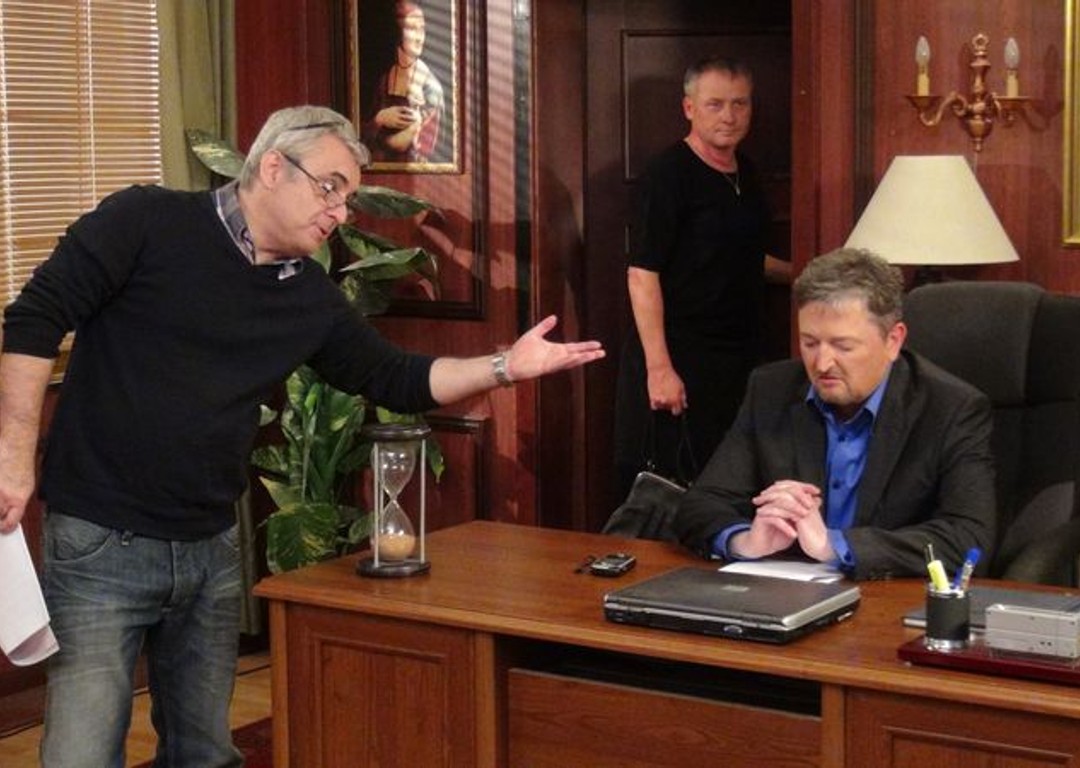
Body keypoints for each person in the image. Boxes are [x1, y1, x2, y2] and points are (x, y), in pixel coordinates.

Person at [0, 104, 603, 767]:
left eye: (347, 198)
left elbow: (395, 378)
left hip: (210, 545)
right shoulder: (144, 221)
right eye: (329, 188)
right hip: (100, 539)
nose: (340, 212)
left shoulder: (307, 295)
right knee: (81, 756)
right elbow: (33, 319)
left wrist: (506, 366)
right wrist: (13, 460)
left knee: (205, 754)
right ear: (272, 167)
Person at [672, 248, 996, 581]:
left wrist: (833, 546)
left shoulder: (951, 408)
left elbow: (970, 539)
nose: (823, 364)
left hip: (889, 596)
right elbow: (701, 503)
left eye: (843, 346)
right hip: (783, 591)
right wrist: (746, 541)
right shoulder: (771, 390)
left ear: (893, 340)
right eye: (810, 343)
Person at [613, 55, 790, 503]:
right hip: (679, 358)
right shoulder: (667, 174)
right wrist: (659, 369)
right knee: (674, 492)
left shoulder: (747, 172)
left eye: (740, 103)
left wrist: (804, 275)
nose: (729, 116)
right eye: (715, 104)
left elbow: (743, 256)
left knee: (731, 487)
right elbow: (642, 273)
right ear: (689, 108)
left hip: (736, 359)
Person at [363, 0, 445, 163]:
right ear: (396, 31)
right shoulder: (385, 79)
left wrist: (381, 127)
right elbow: (361, 140)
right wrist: (379, 119)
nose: (419, 38)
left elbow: (411, 146)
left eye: (422, 29)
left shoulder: (430, 88)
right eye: (412, 28)